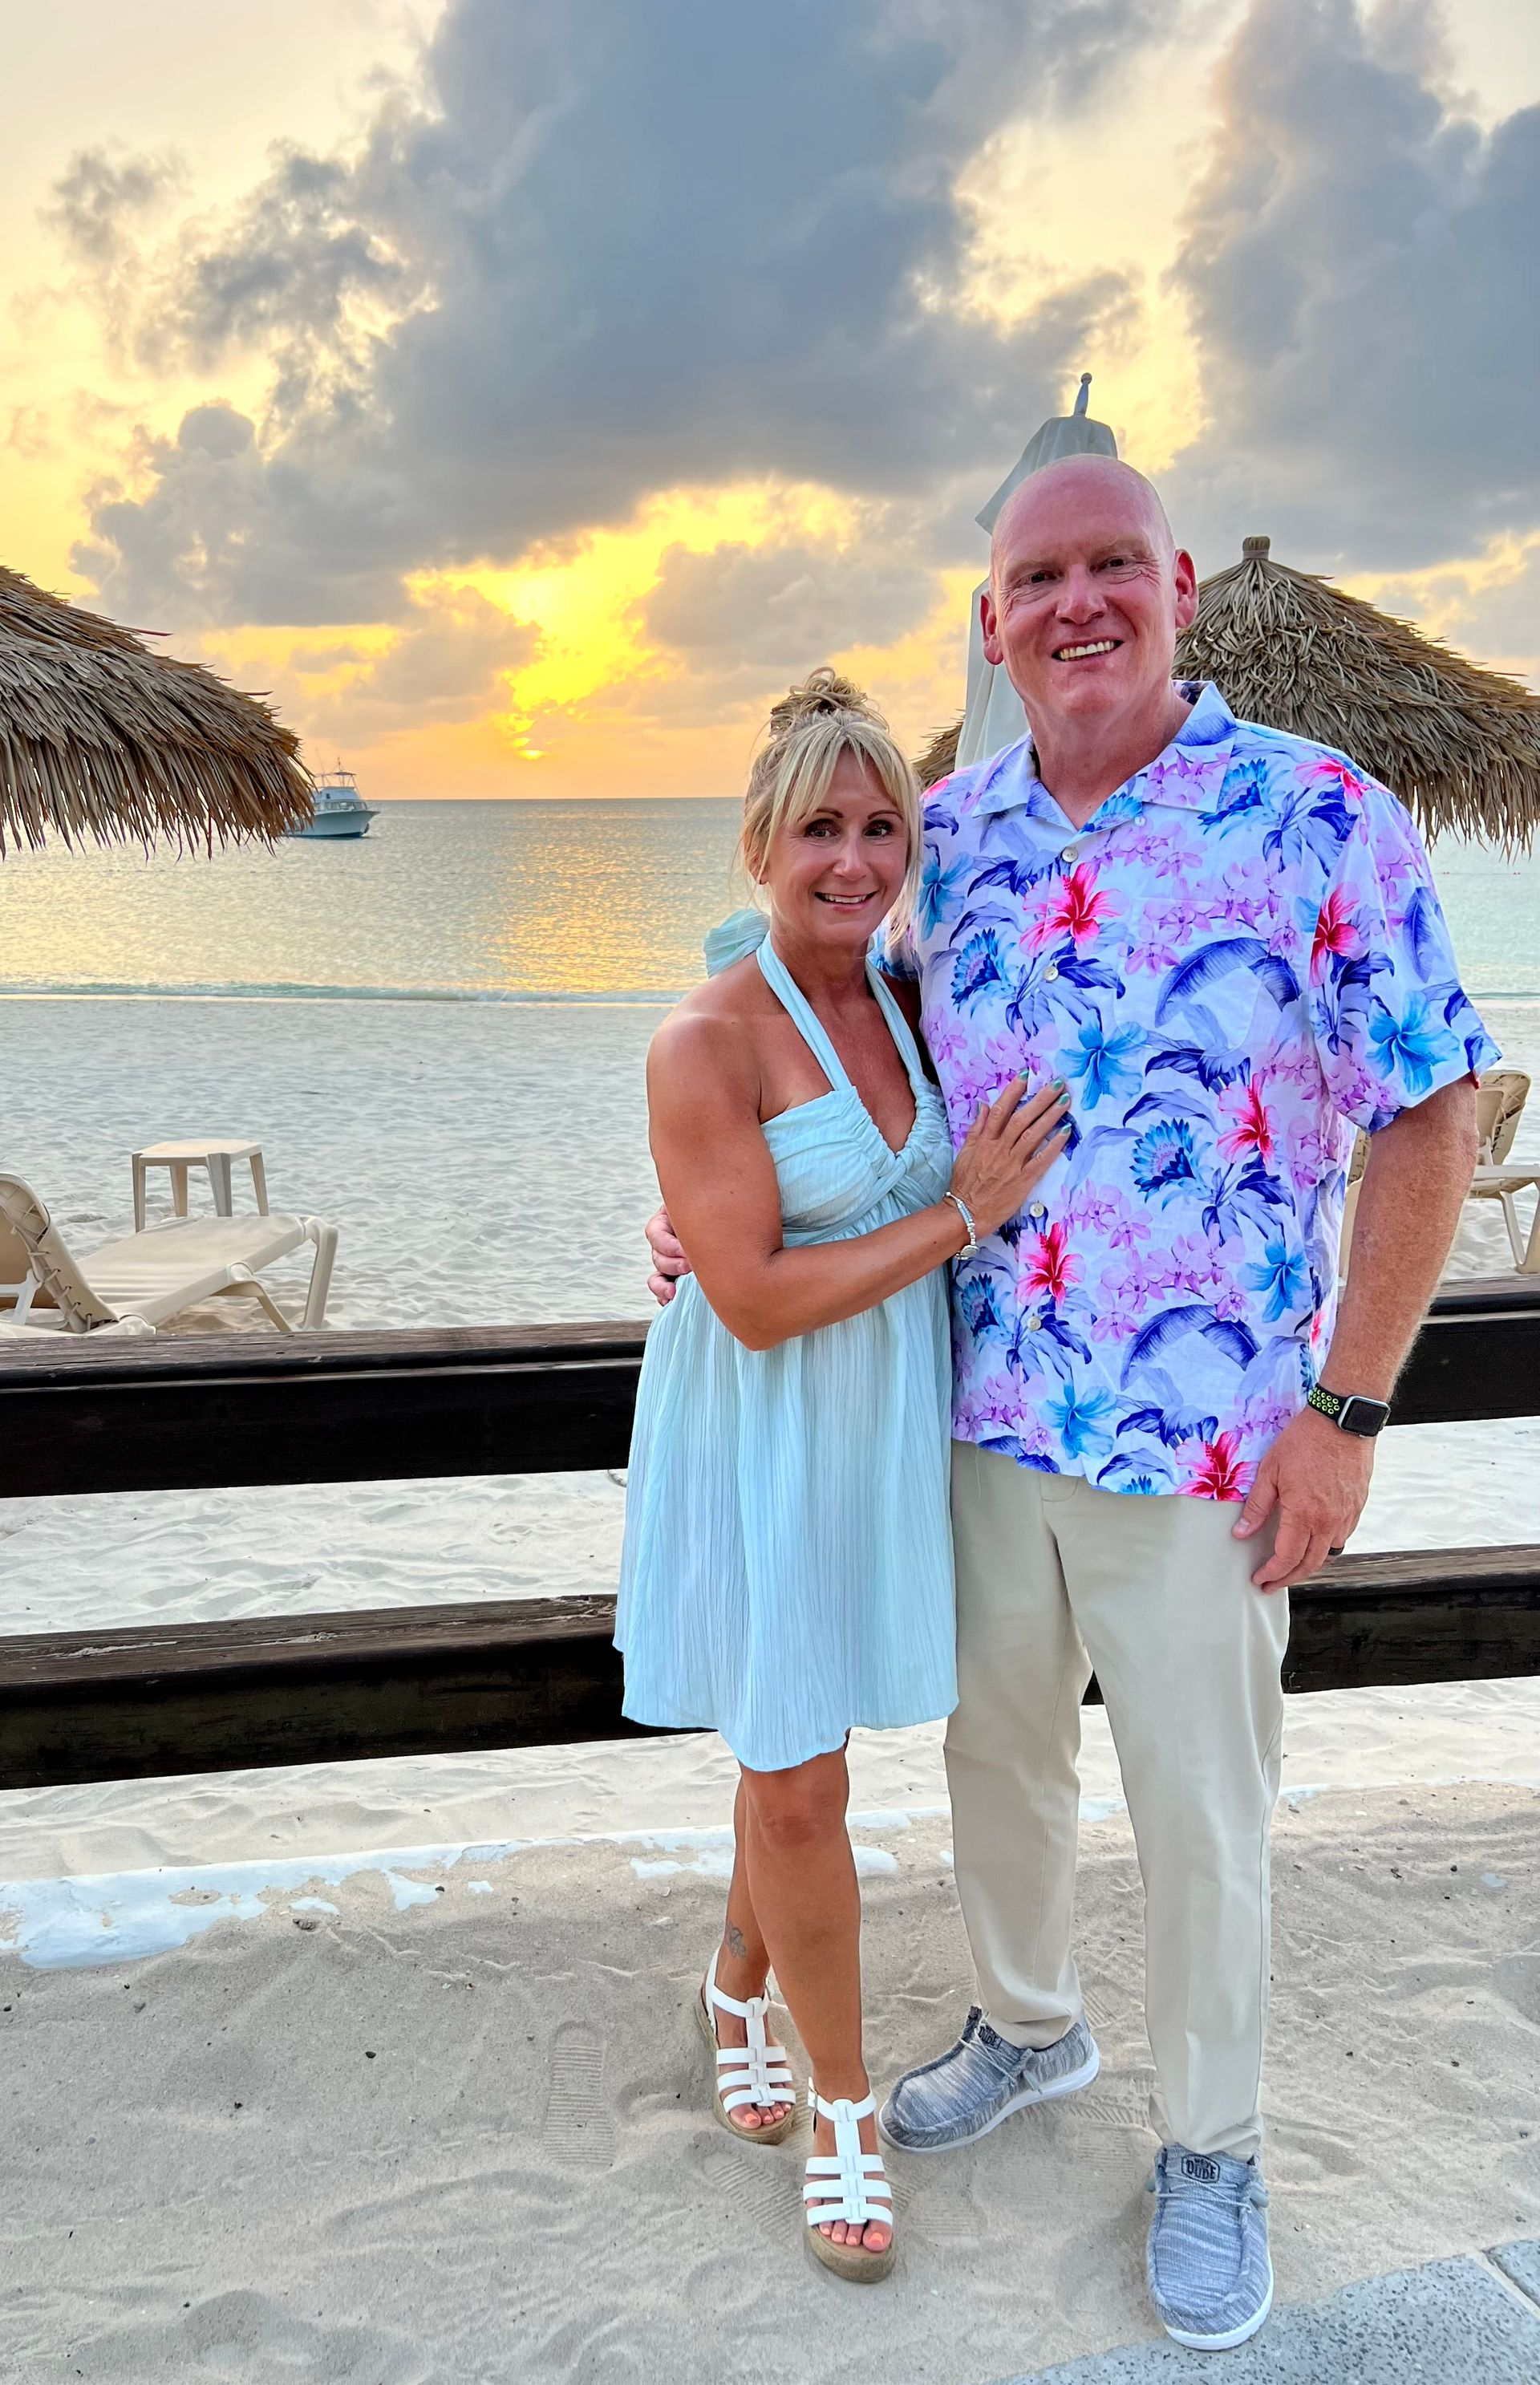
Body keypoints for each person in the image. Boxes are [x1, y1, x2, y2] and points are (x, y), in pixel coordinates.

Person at [646, 462, 1493, 2346]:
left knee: (1205, 1809)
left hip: (1209, 1437)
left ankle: (1212, 2144)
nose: (1079, 600)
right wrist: (702, 1217)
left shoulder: (1319, 811)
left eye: (1115, 563)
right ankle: (1028, 2025)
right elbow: (805, 1035)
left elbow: (1434, 1107)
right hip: (971, 1410)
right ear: (995, 613)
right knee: (996, 1765)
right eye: (1042, 574)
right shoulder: (950, 841)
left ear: (1179, 585)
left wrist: (1347, 1409)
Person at [617, 669, 1069, 2284]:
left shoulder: (918, 995)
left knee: (808, 1748)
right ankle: (845, 2107)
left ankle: (739, 1979)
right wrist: (963, 1211)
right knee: (801, 1774)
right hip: (762, 1423)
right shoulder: (705, 1036)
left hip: (884, 1416)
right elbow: (742, 1290)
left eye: (884, 825)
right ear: (762, 841)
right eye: (823, 826)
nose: (857, 856)